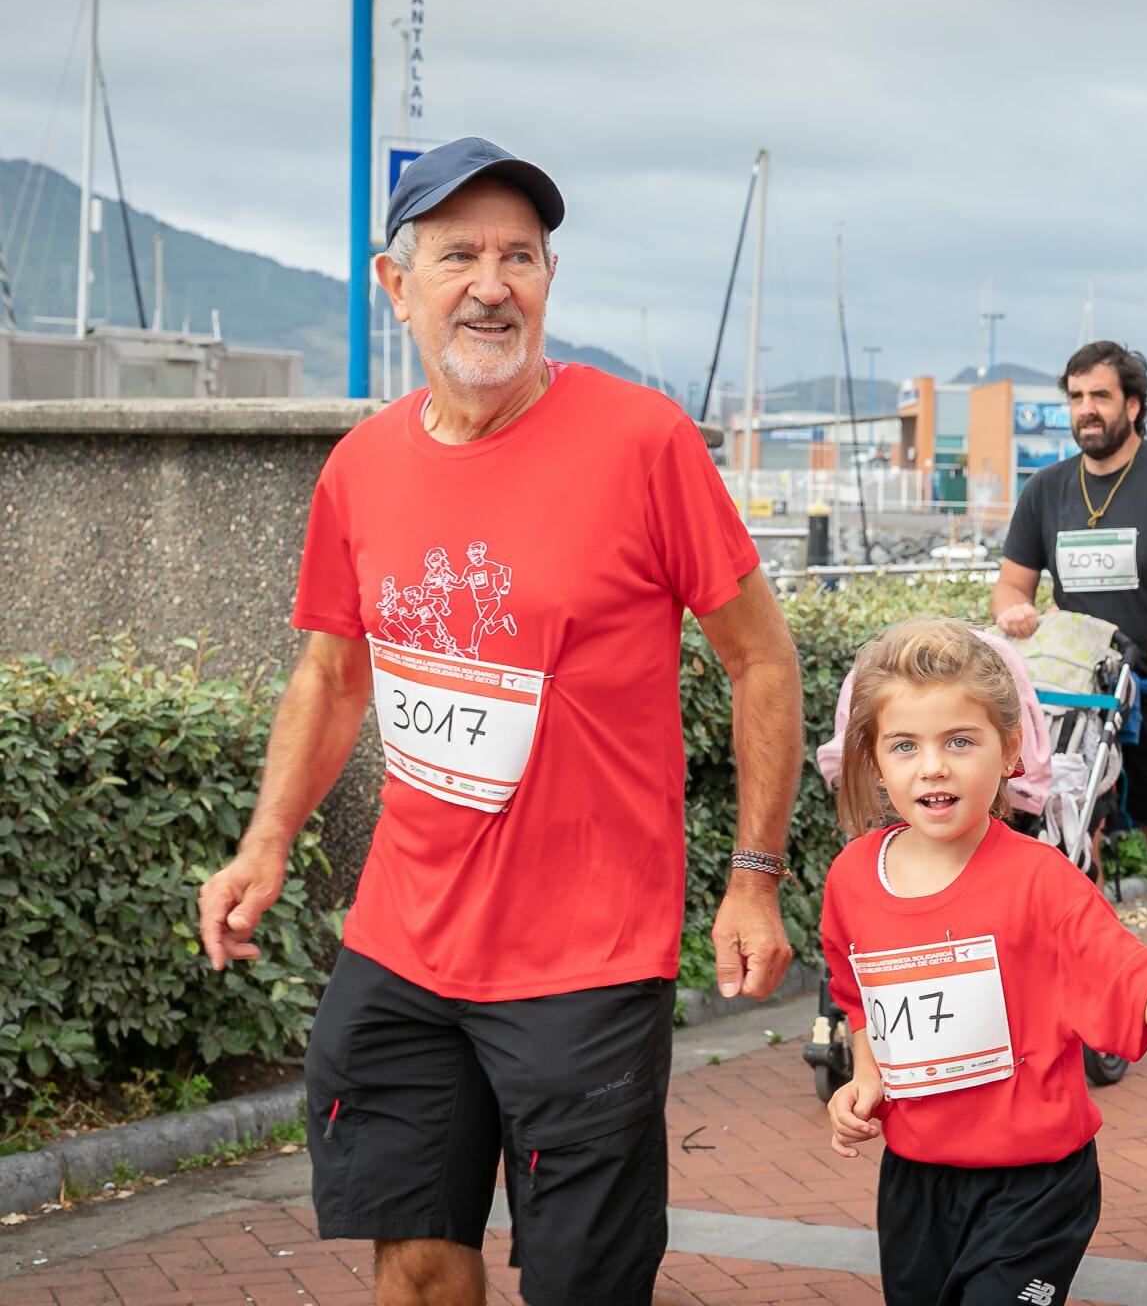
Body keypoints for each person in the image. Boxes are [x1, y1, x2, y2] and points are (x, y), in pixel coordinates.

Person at [195, 137, 804, 1306]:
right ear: (397, 283)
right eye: (460, 253)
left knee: (583, 1283)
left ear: (548, 278)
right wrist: (266, 840)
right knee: (416, 1263)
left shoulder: (643, 441)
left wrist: (755, 875)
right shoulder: (362, 465)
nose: (491, 282)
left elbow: (759, 655)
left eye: (518, 255)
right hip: (403, 943)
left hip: (585, 957)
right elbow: (333, 678)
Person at [820, 619, 1147, 1305]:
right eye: (904, 745)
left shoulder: (1043, 882)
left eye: (960, 741)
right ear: (873, 761)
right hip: (915, 1184)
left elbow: (1136, 997)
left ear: (1010, 749)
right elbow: (858, 992)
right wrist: (864, 1079)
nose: (933, 766)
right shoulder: (853, 879)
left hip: (1036, 1188)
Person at [992, 342, 1147, 892]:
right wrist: (1012, 610)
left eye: (1100, 396)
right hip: (1081, 700)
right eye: (1077, 396)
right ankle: (1095, 974)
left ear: (1132, 405)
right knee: (1074, 843)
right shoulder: (1045, 489)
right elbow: (1013, 583)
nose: (1087, 408)